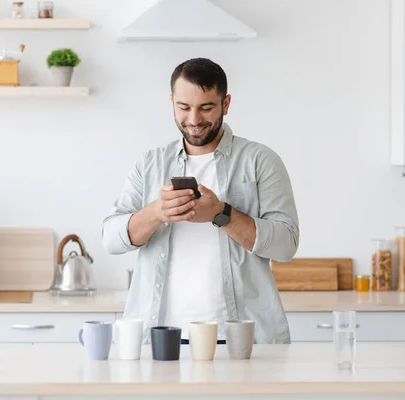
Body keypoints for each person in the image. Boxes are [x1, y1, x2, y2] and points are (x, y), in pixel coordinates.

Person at [102, 57, 299, 344]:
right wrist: (157, 212)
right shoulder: (150, 164)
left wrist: (222, 214)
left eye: (206, 107)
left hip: (241, 338)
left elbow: (286, 244)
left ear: (226, 104)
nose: (194, 120)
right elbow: (111, 238)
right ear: (172, 102)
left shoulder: (260, 161)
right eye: (184, 107)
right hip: (161, 336)